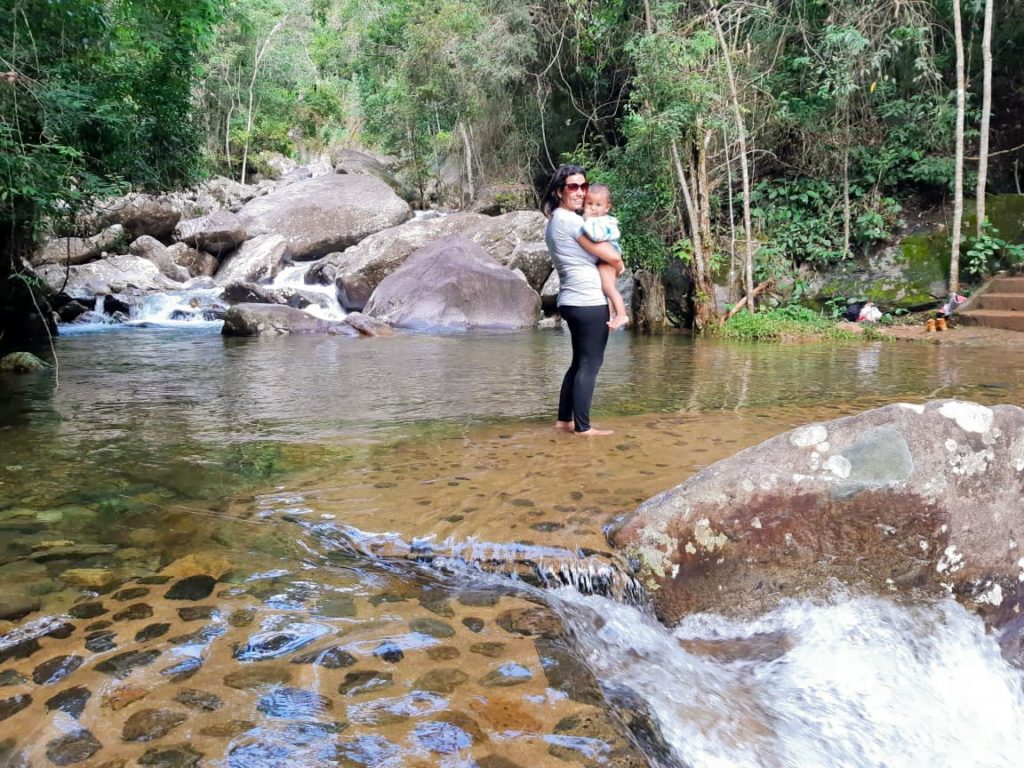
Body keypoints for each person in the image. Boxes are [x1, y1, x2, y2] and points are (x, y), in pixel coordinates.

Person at [542, 165, 624, 436]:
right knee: (590, 364)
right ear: (559, 191)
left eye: (583, 186)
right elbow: (611, 255)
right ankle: (583, 428)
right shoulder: (571, 221)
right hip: (587, 300)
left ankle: (564, 421)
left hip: (571, 298)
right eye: (573, 187)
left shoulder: (556, 219)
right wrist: (619, 264)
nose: (580, 192)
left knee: (579, 362)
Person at [582, 183, 630, 330]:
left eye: (598, 204)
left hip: (608, 258)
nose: (594, 208)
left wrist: (585, 219)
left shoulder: (603, 221)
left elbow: (596, 237)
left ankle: (621, 314)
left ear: (607, 207)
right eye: (589, 204)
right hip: (605, 257)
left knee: (608, 287)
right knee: (603, 290)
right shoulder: (600, 220)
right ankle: (608, 318)